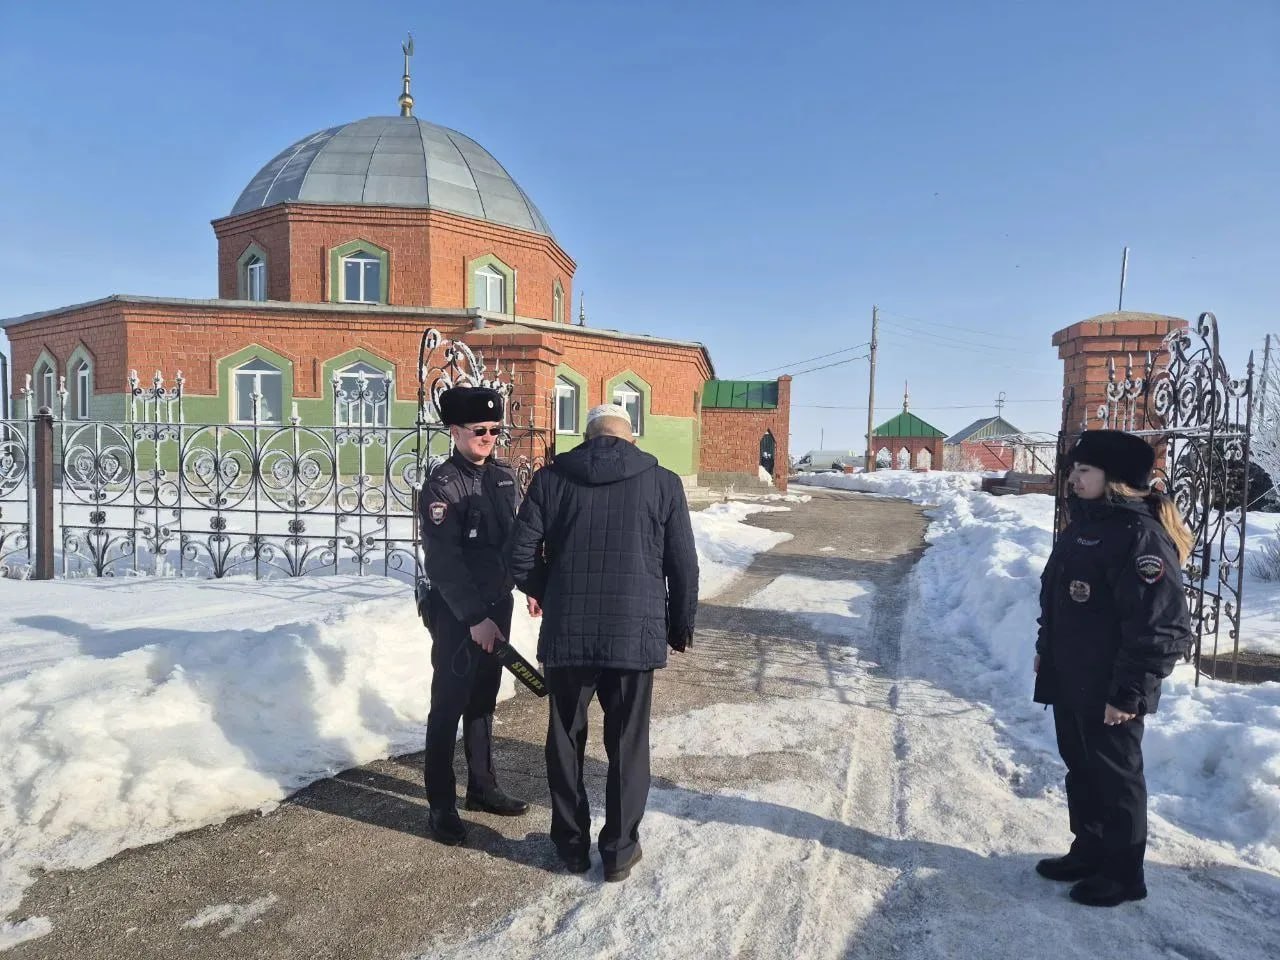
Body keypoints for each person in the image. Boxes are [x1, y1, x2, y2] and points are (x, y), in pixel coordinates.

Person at [507, 403, 699, 881]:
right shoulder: (663, 483)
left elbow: (518, 555)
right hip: (634, 637)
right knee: (628, 743)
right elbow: (683, 564)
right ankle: (619, 850)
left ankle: (571, 846)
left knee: (565, 739)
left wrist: (551, 591)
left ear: (587, 438)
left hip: (568, 635)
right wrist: (679, 625)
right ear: (631, 439)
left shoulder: (551, 480)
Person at [1034, 429, 1193, 906]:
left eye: (1085, 470)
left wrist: (1130, 692)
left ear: (1116, 478)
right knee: (1082, 768)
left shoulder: (1139, 536)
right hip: (1072, 675)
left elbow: (1160, 625)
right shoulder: (1085, 524)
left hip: (1111, 685)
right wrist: (1046, 647)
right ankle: (1090, 850)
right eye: (1073, 469)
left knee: (1116, 778)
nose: (1073, 478)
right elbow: (1057, 595)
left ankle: (1123, 875)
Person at [418, 385, 531, 846]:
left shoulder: (503, 477)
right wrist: (473, 618)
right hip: (456, 613)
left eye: (494, 430)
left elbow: (514, 540)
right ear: (455, 431)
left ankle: (482, 787)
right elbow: (443, 563)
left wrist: (530, 586)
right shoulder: (442, 486)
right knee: (449, 704)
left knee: (484, 699)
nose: (488, 437)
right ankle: (441, 805)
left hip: (497, 605)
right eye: (478, 430)